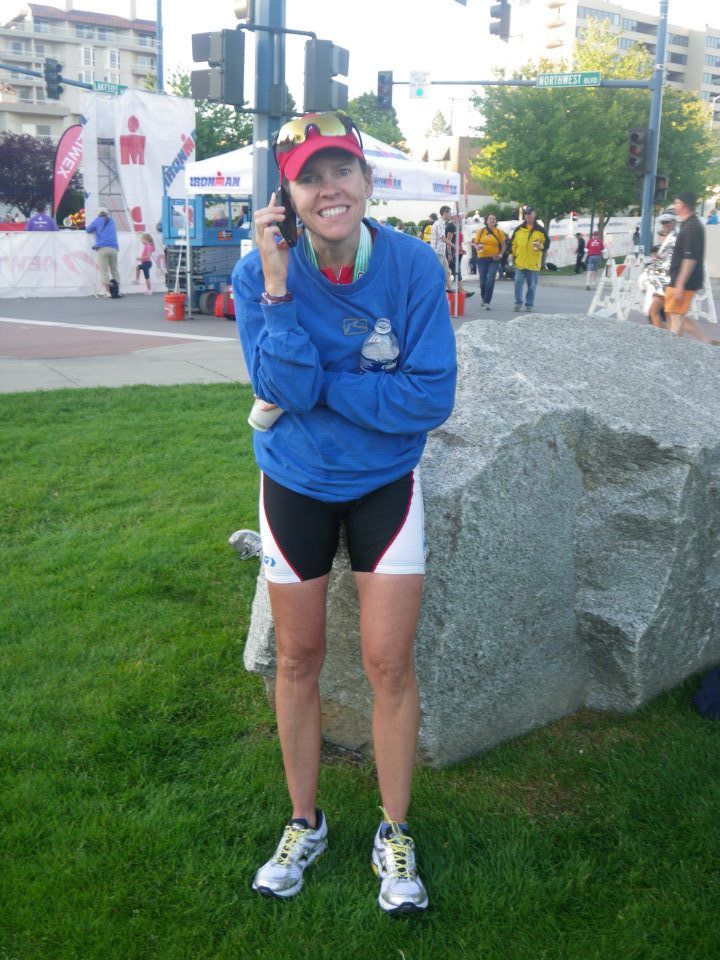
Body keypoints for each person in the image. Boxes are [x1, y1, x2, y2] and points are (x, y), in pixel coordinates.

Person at [232, 111, 457, 915]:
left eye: (341, 171)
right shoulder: (256, 273)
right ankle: (305, 821)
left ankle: (394, 831)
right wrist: (279, 288)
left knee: (389, 663)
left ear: (366, 180)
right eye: (309, 177)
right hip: (294, 481)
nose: (329, 189)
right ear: (287, 196)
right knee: (298, 660)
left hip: (383, 486)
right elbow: (281, 389)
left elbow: (429, 397)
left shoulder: (412, 265)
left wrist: (322, 389)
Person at [665, 191, 714, 344]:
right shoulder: (689, 224)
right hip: (683, 279)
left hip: (684, 280)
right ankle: (707, 342)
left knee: (675, 314)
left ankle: (673, 349)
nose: (675, 205)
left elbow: (690, 259)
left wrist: (680, 284)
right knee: (678, 313)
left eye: (677, 203)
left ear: (685, 205)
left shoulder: (692, 227)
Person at [510, 205, 549, 311]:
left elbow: (546, 244)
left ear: (534, 214)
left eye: (529, 214)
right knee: (518, 283)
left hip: (533, 263)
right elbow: (513, 244)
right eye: (526, 214)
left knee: (531, 286)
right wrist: (512, 255)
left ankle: (529, 304)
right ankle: (518, 303)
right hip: (520, 262)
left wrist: (540, 246)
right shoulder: (519, 229)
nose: (527, 216)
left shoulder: (540, 230)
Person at [85, 207, 121, 298]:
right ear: (107, 213)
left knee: (104, 271)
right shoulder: (112, 221)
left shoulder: (97, 220)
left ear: (98, 214)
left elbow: (88, 229)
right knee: (115, 270)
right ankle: (117, 290)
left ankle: (108, 292)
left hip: (103, 248)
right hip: (114, 248)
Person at [473, 213, 506, 310]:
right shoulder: (481, 231)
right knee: (482, 282)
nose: (492, 220)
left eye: (494, 219)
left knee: (491, 279)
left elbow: (504, 246)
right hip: (482, 258)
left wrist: (500, 255)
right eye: (490, 218)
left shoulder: (499, 232)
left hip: (494, 259)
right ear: (487, 221)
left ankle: (487, 301)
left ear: (496, 221)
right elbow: (475, 243)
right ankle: (484, 298)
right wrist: (477, 247)